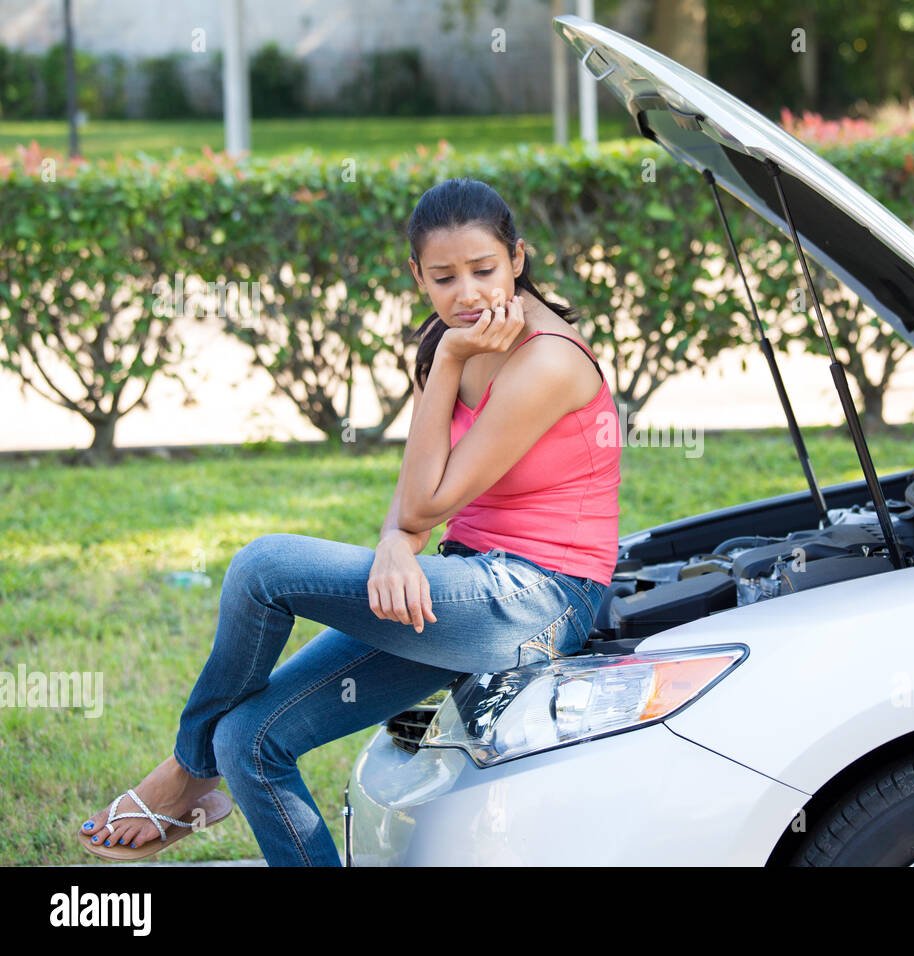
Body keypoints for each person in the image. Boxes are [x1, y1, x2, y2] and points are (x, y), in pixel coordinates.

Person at [77, 177, 621, 866]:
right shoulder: (445, 340)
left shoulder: (545, 360)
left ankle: (184, 772)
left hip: (541, 600)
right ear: (417, 275)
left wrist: (445, 379)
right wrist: (397, 541)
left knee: (261, 569)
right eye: (444, 277)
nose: (468, 294)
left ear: (517, 257)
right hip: (462, 577)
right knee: (249, 740)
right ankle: (211, 767)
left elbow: (428, 501)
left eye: (484, 270)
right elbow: (416, 488)